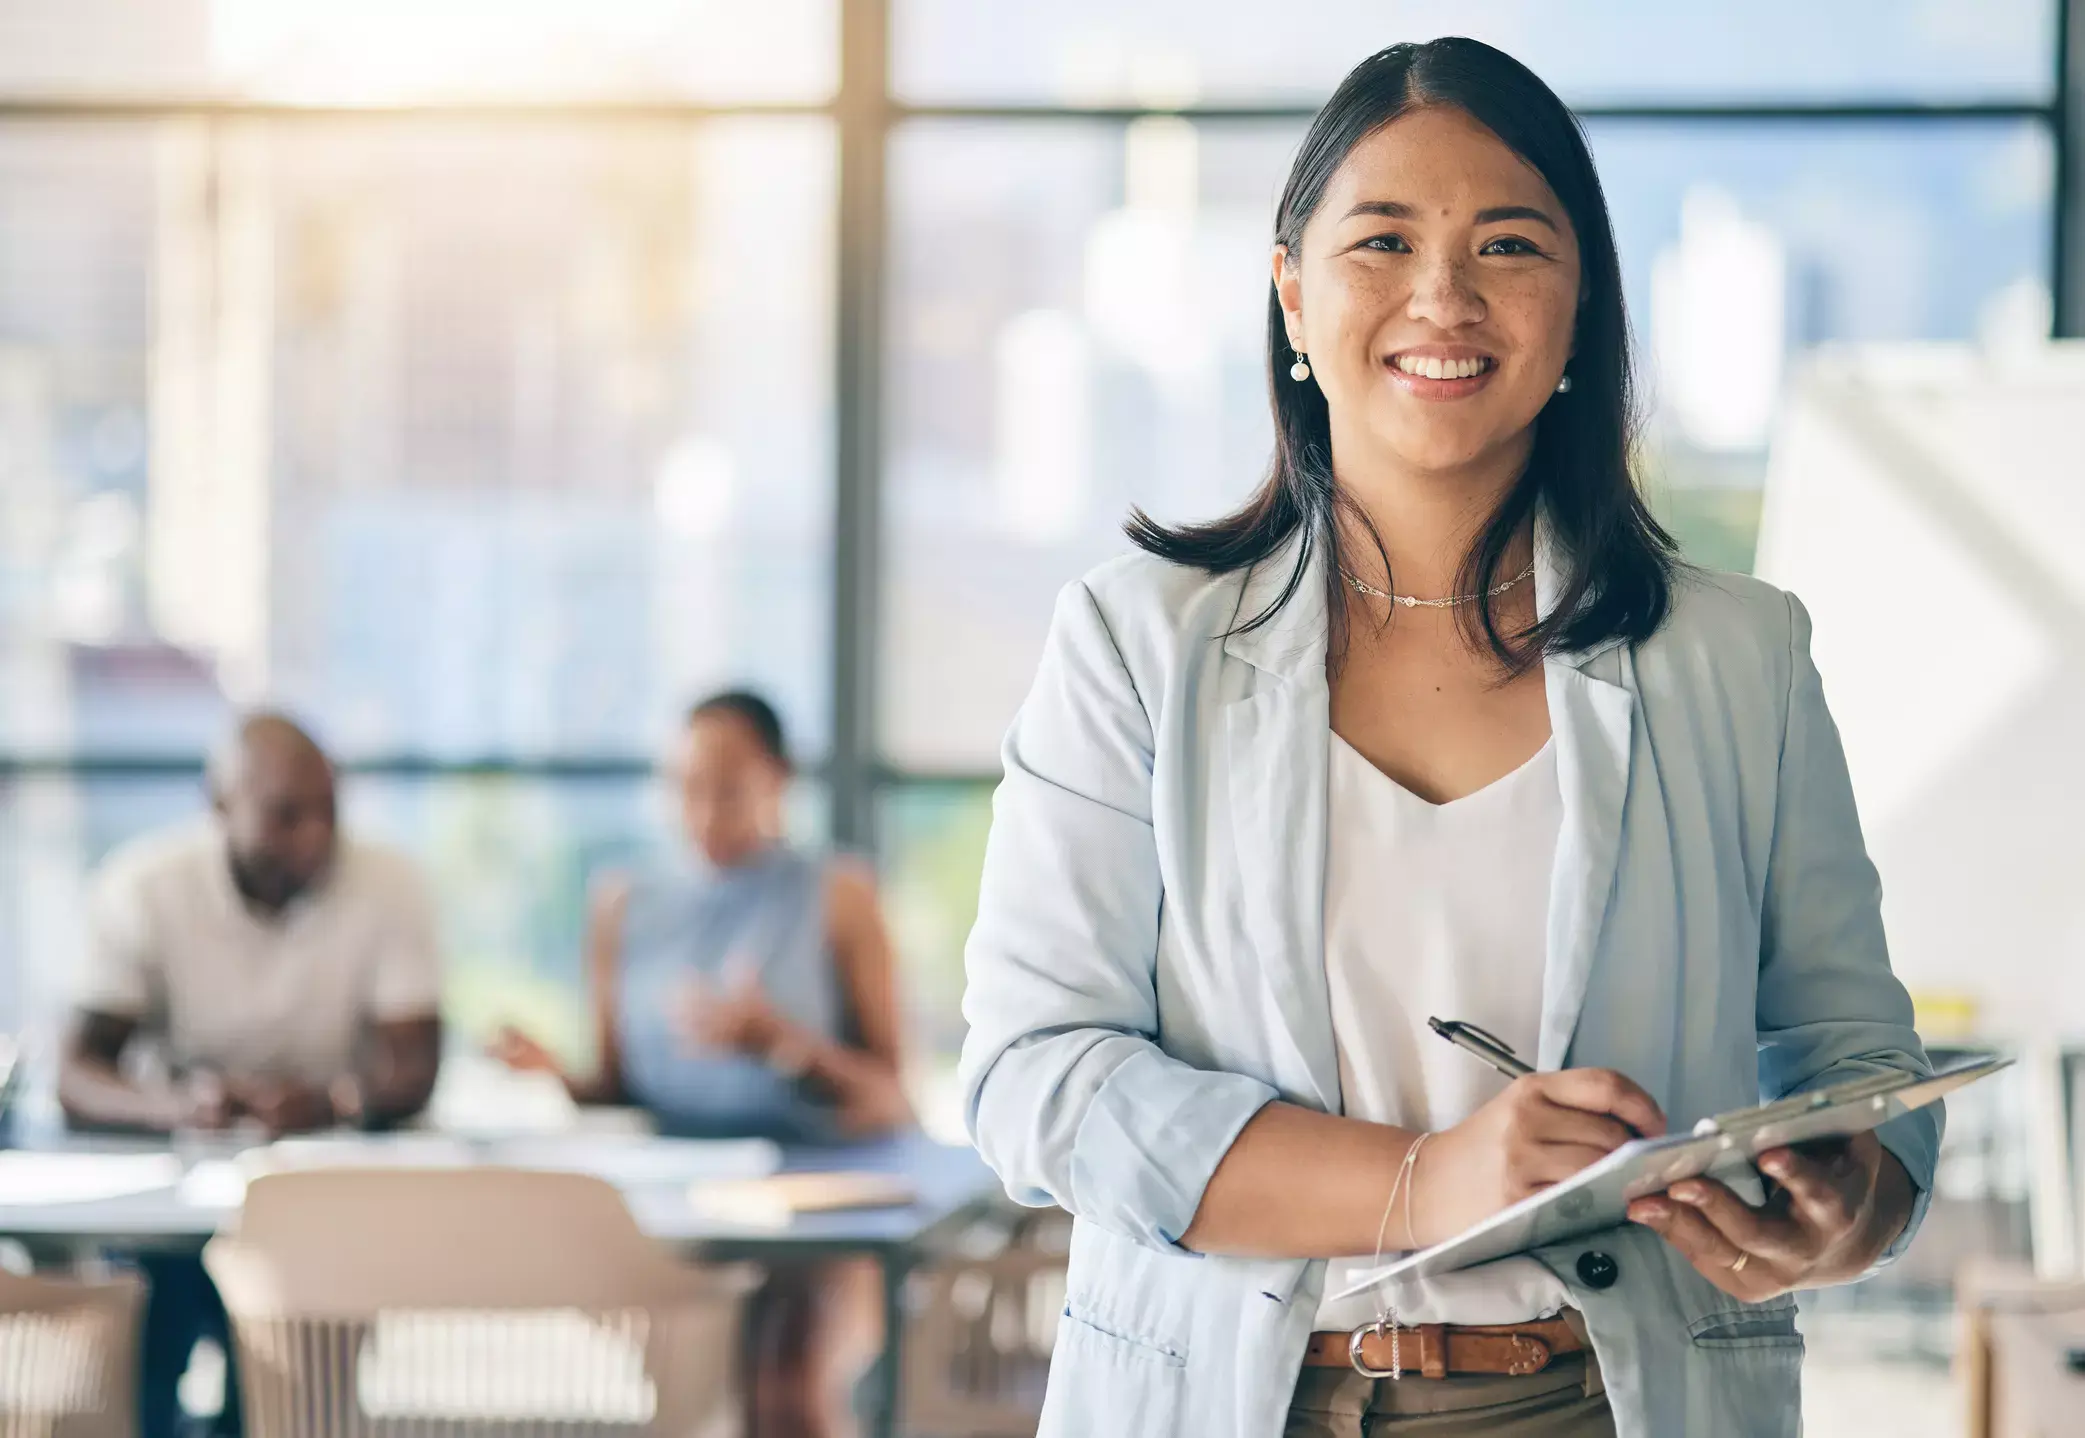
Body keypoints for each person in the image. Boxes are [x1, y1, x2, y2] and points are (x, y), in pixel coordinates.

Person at [960, 38, 1939, 1438]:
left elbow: (1861, 1066)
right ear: (1292, 293)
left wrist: (1851, 1203)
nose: (1444, 295)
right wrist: (1423, 1180)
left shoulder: (1741, 657)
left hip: (1617, 1398)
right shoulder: (1133, 643)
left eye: (1507, 244)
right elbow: (1034, 1076)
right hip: (1236, 1398)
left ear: (1577, 304)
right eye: (1383, 240)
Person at [492, 689, 909, 1438]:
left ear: (778, 779)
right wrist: (556, 1072)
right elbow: (617, 1088)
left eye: (728, 788)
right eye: (685, 788)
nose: (704, 812)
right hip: (677, 1208)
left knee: (785, 1382)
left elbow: (890, 1099)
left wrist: (779, 1043)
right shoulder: (624, 903)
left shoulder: (837, 895)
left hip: (811, 1207)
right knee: (682, 1391)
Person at [59, 711, 444, 1438]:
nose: (315, 835)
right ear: (221, 805)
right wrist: (180, 1106)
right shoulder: (144, 887)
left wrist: (333, 1101)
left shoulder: (388, 883)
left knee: (297, 1403)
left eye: (329, 810)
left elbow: (415, 1064)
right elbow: (77, 1073)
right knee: (143, 1375)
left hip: (317, 1196)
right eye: (286, 814)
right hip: (171, 1193)